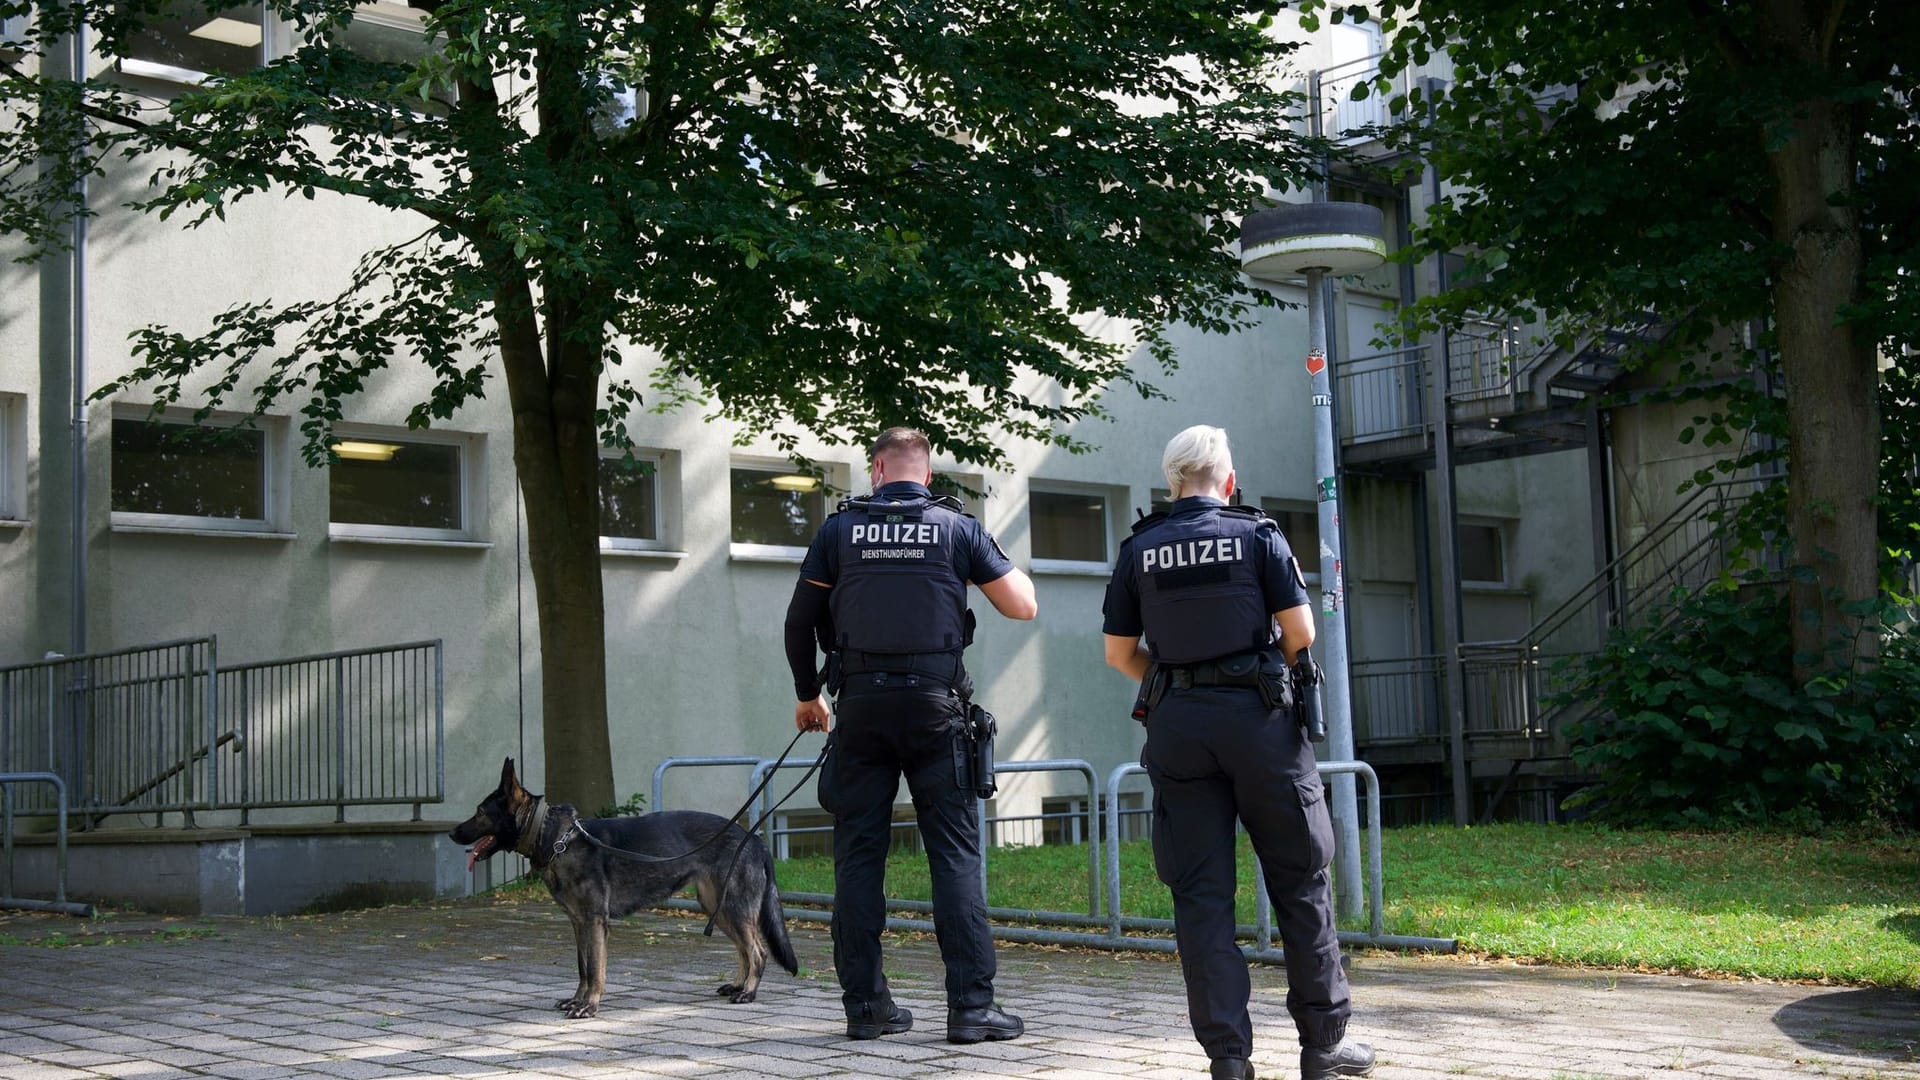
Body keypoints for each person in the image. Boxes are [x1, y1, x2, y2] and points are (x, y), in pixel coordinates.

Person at [1100, 425, 1375, 1080]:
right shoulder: (1258, 535)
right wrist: (1251, 680)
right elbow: (1300, 633)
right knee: (1300, 878)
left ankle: (1228, 1059)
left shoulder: (1140, 548)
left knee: (1200, 896)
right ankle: (1323, 1047)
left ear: (1172, 482)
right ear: (1228, 481)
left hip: (1178, 728)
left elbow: (1117, 653)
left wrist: (1178, 685)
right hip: (1261, 726)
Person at [783, 426, 1038, 1044]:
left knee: (858, 859)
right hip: (935, 710)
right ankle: (972, 1009)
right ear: (926, 474)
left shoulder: (839, 532)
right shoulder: (956, 528)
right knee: (953, 857)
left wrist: (806, 695)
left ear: (875, 470)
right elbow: (1023, 605)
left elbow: (798, 622)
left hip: (862, 710)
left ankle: (866, 1010)